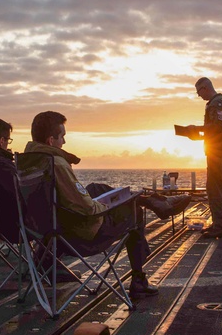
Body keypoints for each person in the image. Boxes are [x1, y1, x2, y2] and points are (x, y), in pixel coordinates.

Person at [17, 111, 191, 297]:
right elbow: (89, 209)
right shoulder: (57, 164)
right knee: (135, 211)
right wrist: (107, 206)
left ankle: (152, 201)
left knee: (95, 187)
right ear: (51, 140)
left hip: (46, 233)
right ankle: (139, 280)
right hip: (78, 235)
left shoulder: (27, 162)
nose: (64, 143)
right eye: (63, 137)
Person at [187, 78, 222, 238]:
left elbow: (217, 128)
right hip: (217, 151)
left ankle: (220, 226)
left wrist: (196, 129)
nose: (199, 96)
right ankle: (218, 223)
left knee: (216, 189)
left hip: (218, 152)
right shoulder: (215, 103)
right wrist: (198, 136)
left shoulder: (217, 104)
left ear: (205, 88)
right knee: (213, 188)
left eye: (199, 92)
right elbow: (214, 131)